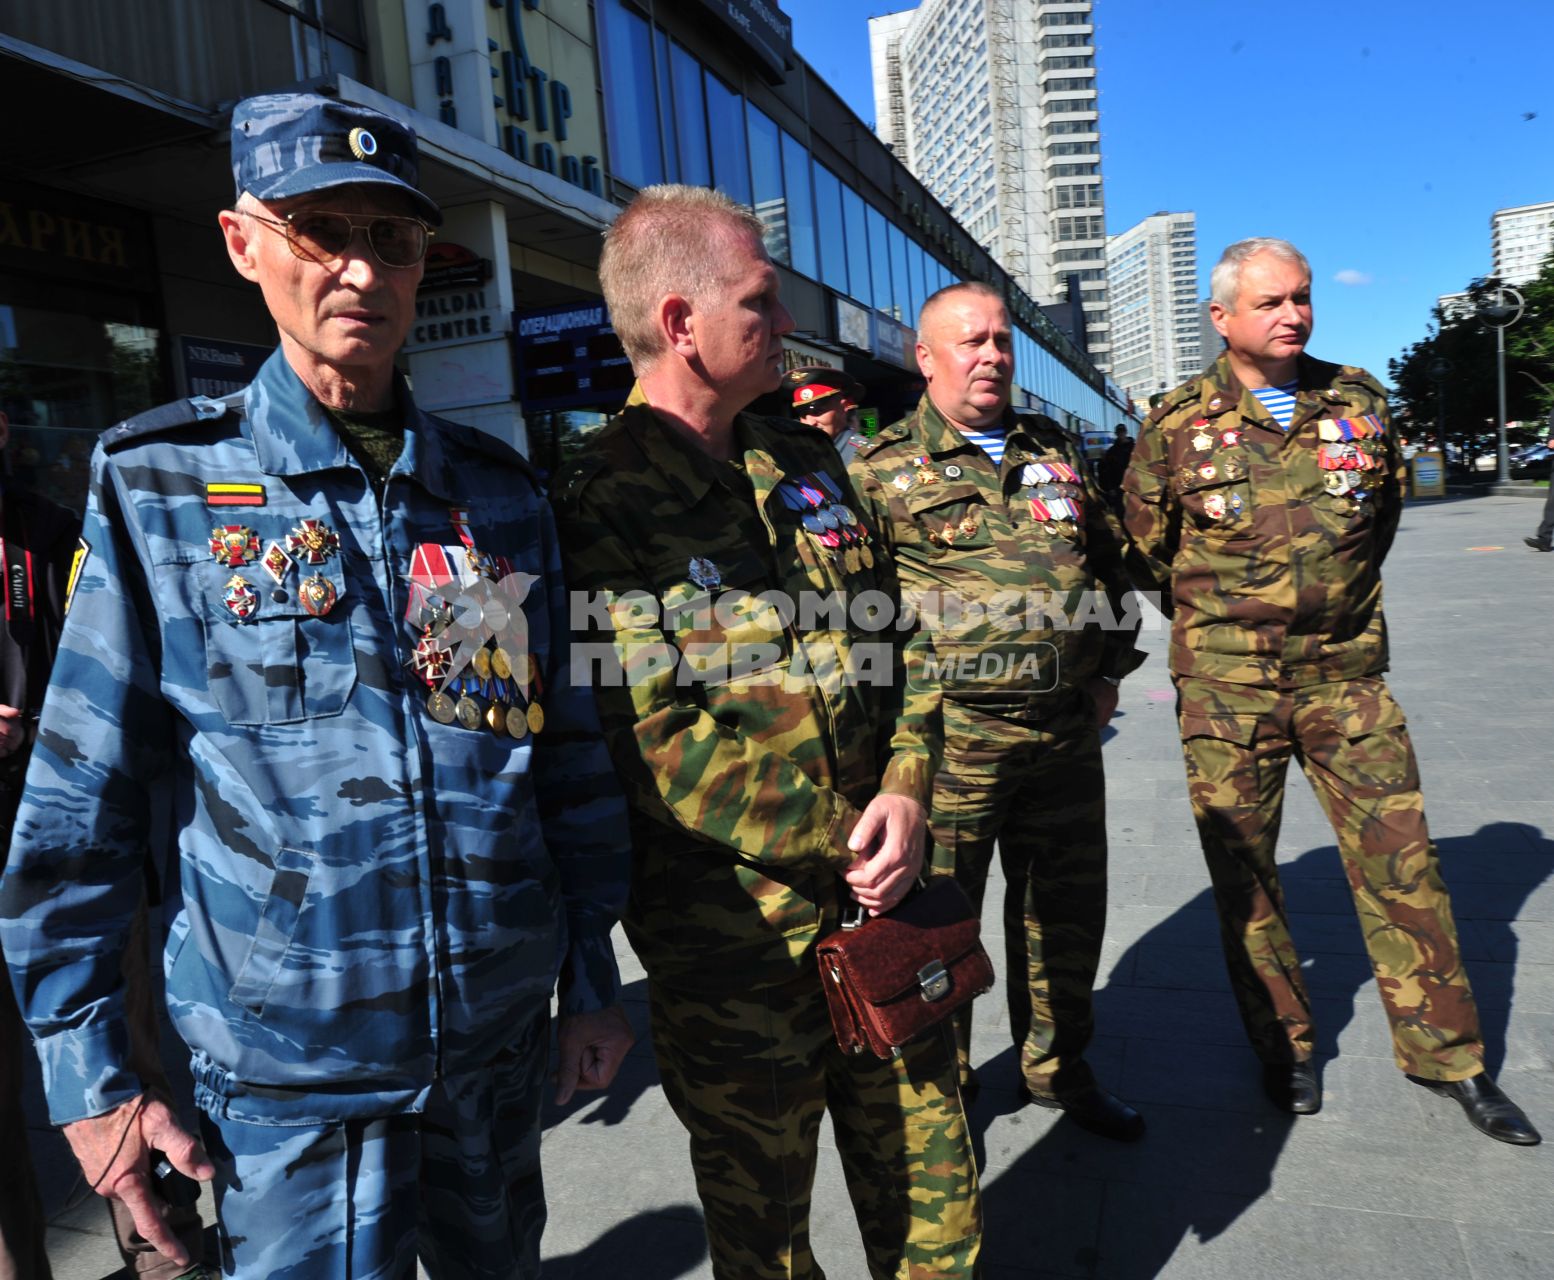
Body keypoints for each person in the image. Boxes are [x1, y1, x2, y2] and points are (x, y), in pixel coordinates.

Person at [0, 92, 636, 1278]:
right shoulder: (163, 489)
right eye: (319, 229)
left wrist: (591, 981)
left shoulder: (495, 498)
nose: (360, 268)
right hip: (290, 1092)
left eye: (390, 239)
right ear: (244, 243)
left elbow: (558, 759)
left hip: (494, 1061)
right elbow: (75, 805)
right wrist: (93, 1084)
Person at [550, 185, 980, 1278]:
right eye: (761, 301)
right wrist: (852, 835)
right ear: (682, 322)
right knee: (766, 1237)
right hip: (735, 949)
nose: (784, 323)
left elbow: (901, 646)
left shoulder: (808, 463)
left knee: (937, 1198)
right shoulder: (600, 501)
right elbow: (660, 743)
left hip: (891, 908)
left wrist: (910, 785)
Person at [1123, 237, 1540, 1145]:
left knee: (1406, 867)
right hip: (1227, 691)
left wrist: (1324, 608)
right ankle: (1287, 1048)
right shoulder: (1173, 425)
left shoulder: (1357, 401)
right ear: (1223, 317)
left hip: (1346, 678)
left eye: (1303, 298)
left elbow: (1377, 525)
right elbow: (1149, 549)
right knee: (1245, 875)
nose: (1293, 314)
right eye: (1271, 301)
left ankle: (1450, 1059)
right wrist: (1232, 625)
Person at [846, 282, 1146, 1142]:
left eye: (1002, 341)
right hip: (953, 742)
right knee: (939, 923)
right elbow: (858, 611)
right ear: (927, 357)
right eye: (971, 342)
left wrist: (1109, 671)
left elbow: (1106, 562)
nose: (992, 357)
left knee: (1065, 911)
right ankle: (946, 1091)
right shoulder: (878, 469)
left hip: (1062, 731)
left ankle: (1059, 1066)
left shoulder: (1053, 448)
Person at [0, 410, 212, 1280]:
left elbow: (113, 691)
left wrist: (34, 726)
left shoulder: (49, 533)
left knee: (127, 1064)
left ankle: (167, 1254)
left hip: (74, 858)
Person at [779, 364, 872, 463]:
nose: (810, 423)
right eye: (803, 414)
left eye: (818, 412)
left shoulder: (867, 455)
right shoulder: (797, 453)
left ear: (844, 406)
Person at [1097, 423, 1134, 507]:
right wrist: (1110, 488)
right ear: (1116, 433)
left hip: (1134, 487)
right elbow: (1107, 471)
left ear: (1126, 432)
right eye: (1119, 432)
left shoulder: (1135, 448)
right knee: (1121, 511)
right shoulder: (1112, 451)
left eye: (1122, 432)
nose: (1121, 434)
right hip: (1118, 487)